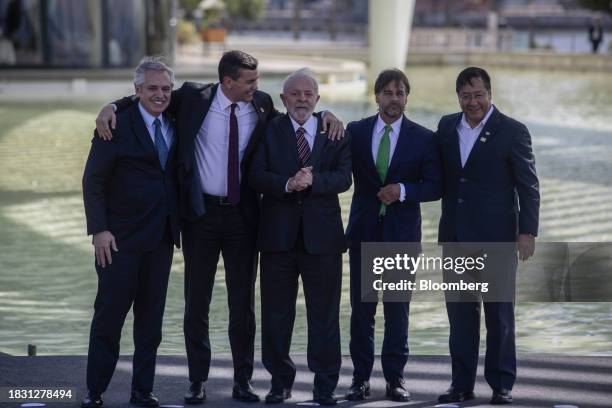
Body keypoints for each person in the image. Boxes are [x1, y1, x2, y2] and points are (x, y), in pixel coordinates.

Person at [94, 50, 344, 404]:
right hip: (200, 216)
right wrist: (111, 108)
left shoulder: (259, 104)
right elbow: (152, 96)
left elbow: (298, 116)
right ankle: (197, 381)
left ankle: (243, 381)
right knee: (197, 303)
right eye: (250, 80)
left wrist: (326, 114)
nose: (257, 87)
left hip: (244, 216)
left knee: (242, 305)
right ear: (228, 81)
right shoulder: (194, 98)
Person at [434, 67, 539, 405]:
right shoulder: (446, 126)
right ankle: (461, 383)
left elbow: (528, 186)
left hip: (497, 239)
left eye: (478, 95)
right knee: (461, 318)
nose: (473, 102)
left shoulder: (512, 131)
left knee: (499, 316)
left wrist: (527, 232)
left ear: (489, 94)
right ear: (458, 97)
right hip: (456, 237)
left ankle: (501, 384)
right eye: (466, 96)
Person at [81, 57, 181, 408]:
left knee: (150, 324)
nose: (159, 94)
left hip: (161, 239)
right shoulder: (115, 124)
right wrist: (99, 230)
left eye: (165, 88)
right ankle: (95, 391)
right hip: (118, 241)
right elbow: (93, 181)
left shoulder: (176, 119)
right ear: (137, 90)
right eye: (151, 88)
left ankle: (142, 391)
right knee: (109, 318)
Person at [249, 69, 352, 406]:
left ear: (318, 99)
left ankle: (325, 386)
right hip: (277, 239)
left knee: (324, 315)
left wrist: (313, 180)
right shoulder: (269, 130)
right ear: (283, 99)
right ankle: (280, 383)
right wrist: (287, 184)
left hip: (323, 241)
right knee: (276, 315)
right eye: (295, 94)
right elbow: (256, 175)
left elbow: (344, 178)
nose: (302, 99)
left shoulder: (335, 131)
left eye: (309, 94)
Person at [344, 69, 442, 402]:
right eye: (387, 92)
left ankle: (395, 379)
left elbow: (434, 186)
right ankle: (359, 379)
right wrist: (325, 114)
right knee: (363, 311)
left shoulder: (424, 137)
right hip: (364, 234)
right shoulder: (356, 132)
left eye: (400, 93)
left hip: (402, 237)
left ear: (406, 97)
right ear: (376, 97)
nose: (394, 99)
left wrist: (402, 190)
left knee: (397, 311)